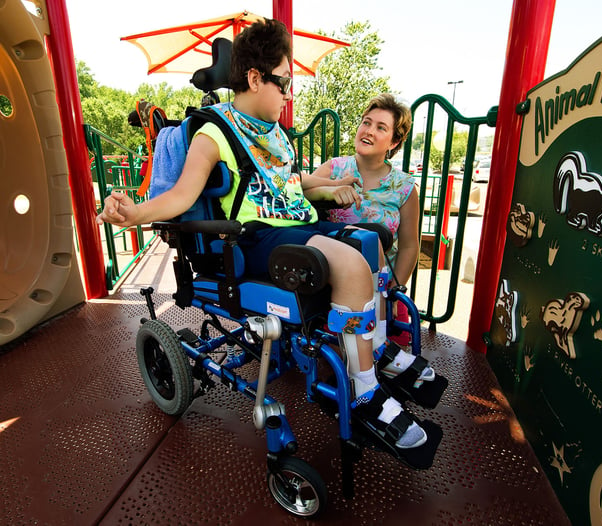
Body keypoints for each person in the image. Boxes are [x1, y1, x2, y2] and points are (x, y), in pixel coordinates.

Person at [96, 19, 434, 449]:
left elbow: (290, 186)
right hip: (255, 237)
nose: (289, 93)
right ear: (255, 78)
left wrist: (327, 188)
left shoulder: (277, 135)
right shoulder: (214, 131)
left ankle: (376, 350)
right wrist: (135, 212)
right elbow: (182, 196)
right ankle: (365, 389)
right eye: (284, 83)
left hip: (297, 224)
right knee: (349, 260)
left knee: (370, 240)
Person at [302, 94, 419, 347]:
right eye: (366, 122)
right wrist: (329, 191)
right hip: (335, 286)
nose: (369, 131)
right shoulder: (334, 169)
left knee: (387, 359)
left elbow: (410, 245)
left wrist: (392, 294)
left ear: (394, 141)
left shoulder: (404, 187)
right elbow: (300, 198)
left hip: (382, 287)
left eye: (381, 127)